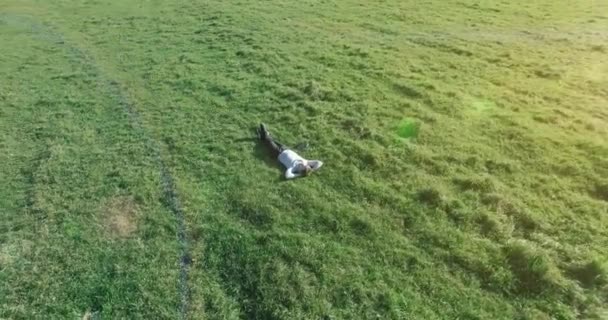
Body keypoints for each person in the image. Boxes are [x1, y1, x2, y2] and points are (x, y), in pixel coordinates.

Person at [258, 124, 323, 179]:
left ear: (300, 171)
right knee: (273, 140)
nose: (303, 164)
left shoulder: (293, 168)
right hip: (285, 148)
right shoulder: (306, 161)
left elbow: (287, 175)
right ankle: (263, 136)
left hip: (277, 153)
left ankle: (264, 133)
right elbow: (319, 162)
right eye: (306, 165)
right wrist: (312, 170)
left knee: (269, 141)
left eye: (303, 167)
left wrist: (298, 175)